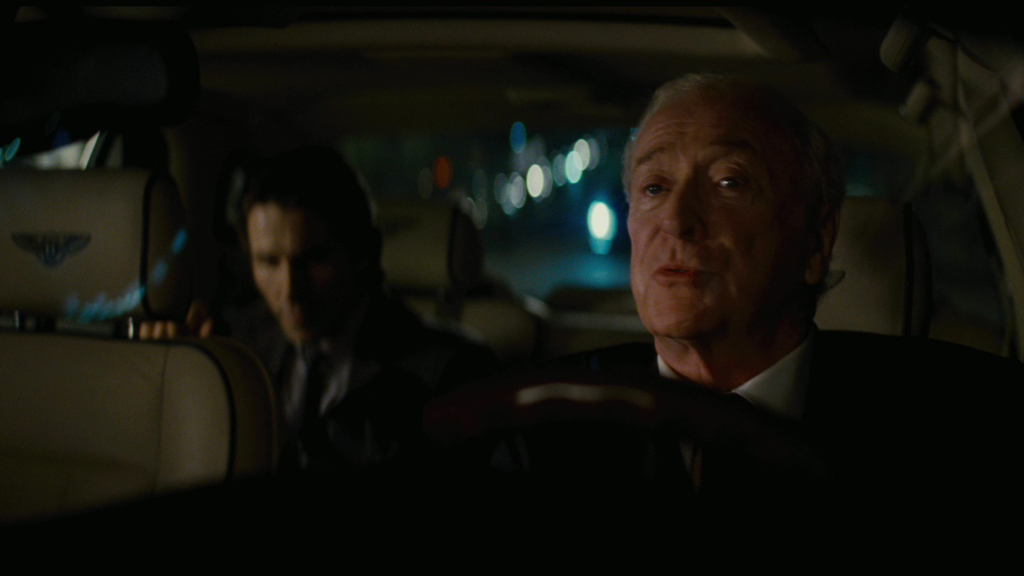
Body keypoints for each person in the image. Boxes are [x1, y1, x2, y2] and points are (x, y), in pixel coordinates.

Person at [478, 74, 1023, 503]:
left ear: (815, 242)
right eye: (654, 187)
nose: (677, 220)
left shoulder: (956, 432)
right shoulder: (543, 425)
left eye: (729, 182)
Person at [150, 144, 497, 471]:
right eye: (268, 262)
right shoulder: (234, 345)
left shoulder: (449, 371)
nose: (290, 291)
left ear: (361, 252)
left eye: (314, 259)